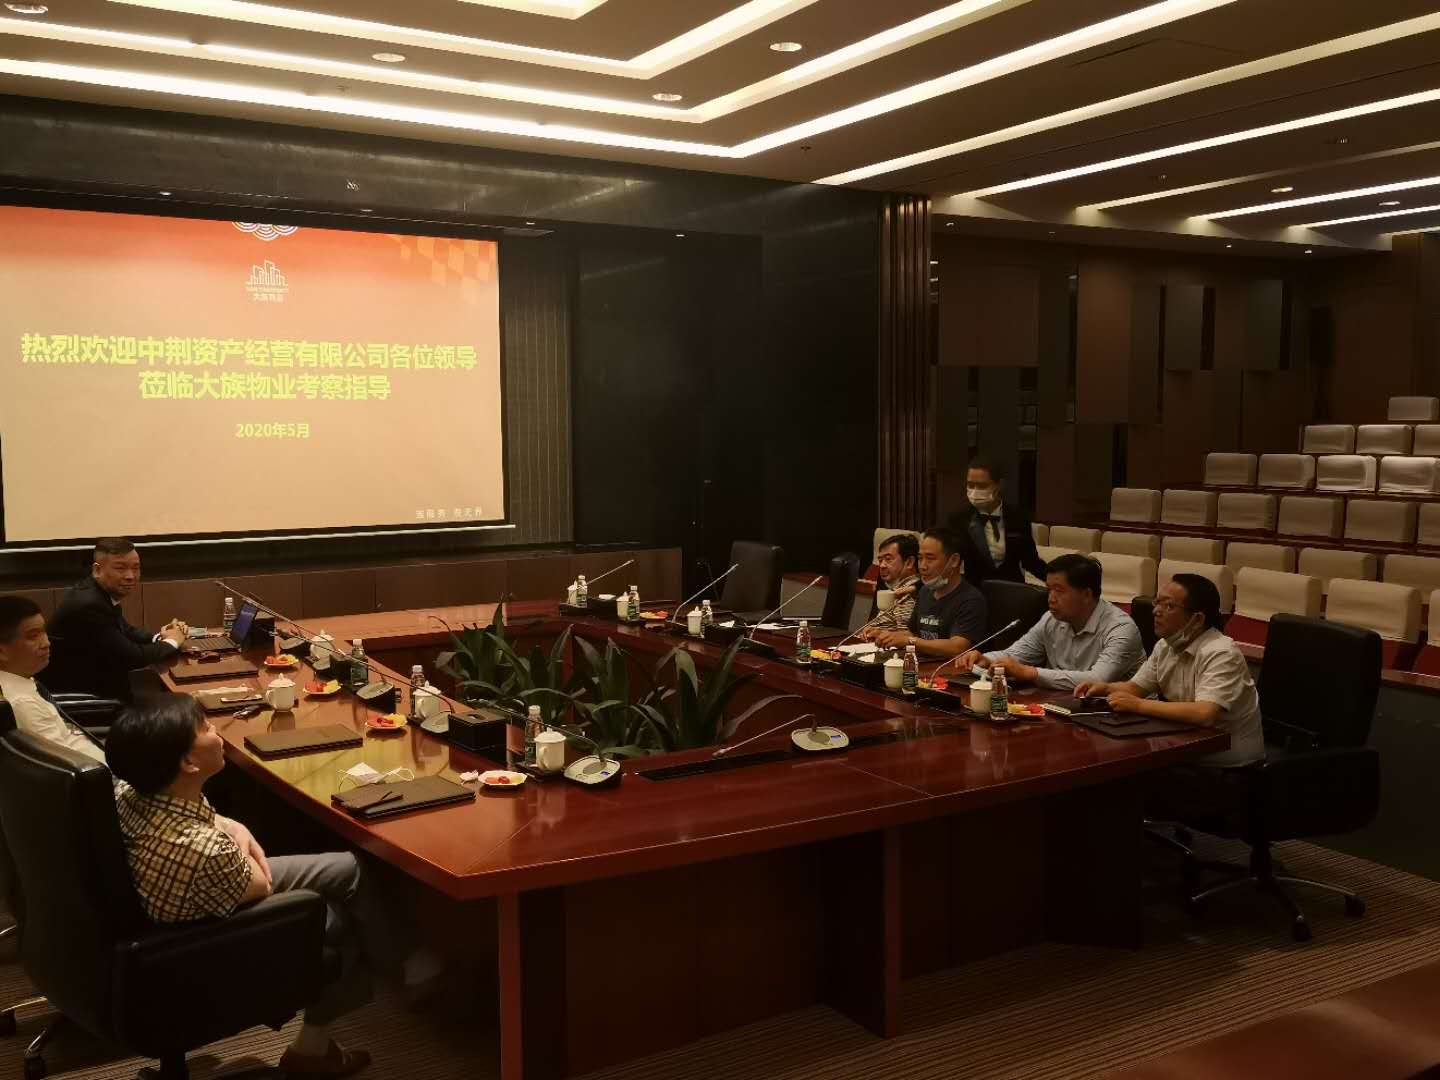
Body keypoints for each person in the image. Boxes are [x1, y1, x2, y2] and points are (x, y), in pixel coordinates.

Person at [107, 695, 380, 1076]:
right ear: (188, 763)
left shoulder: (127, 792)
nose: (217, 732)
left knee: (347, 869)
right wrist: (234, 834)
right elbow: (260, 884)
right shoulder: (206, 852)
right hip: (202, 944)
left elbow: (215, 832)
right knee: (337, 915)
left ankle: (404, 965)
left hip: (172, 914)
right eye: (206, 728)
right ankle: (315, 1049)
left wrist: (231, 824)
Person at [1077, 574, 1265, 821]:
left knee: (1116, 777)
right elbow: (1136, 688)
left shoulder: (1221, 652)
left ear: (1197, 619)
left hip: (1225, 769)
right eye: (1157, 602)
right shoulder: (1166, 645)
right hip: (1183, 752)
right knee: (1104, 765)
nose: (1156, 611)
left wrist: (1139, 705)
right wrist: (1105, 688)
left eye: (1169, 606)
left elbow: (1205, 714)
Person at [957, 554, 1144, 692]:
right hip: (1066, 705)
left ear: (1087, 594)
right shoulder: (1051, 618)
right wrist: (987, 659)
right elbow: (1015, 654)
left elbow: (1097, 680)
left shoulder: (1121, 629)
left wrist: (1031, 673)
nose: (1051, 598)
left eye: (1059, 590)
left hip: (1121, 717)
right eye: (1049, 589)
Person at [44, 538, 189, 702]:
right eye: (120, 568)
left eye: (136, 568)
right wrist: (172, 641)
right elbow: (132, 657)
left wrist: (160, 637)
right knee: (183, 702)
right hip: (89, 699)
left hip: (100, 685)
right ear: (97, 570)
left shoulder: (95, 592)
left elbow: (125, 630)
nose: (130, 576)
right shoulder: (89, 605)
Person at [0, 595, 106, 763]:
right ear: (2, 652)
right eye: (33, 636)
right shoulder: (22, 702)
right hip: (103, 773)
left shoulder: (22, 682)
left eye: (44, 631)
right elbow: (63, 766)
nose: (46, 643)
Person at [872, 527, 986, 658]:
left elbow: (958, 648)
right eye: (920, 558)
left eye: (930, 559)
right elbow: (912, 633)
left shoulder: (971, 599)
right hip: (920, 663)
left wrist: (910, 641)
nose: (922, 566)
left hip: (950, 668)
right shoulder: (925, 591)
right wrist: (885, 635)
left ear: (954, 561)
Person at [947, 456, 1046, 588]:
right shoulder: (959, 519)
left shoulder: (1018, 517)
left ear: (999, 485)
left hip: (1012, 589)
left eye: (982, 486)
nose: (974, 491)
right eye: (970, 485)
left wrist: (1059, 581)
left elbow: (1031, 562)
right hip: (976, 592)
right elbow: (947, 561)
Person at [869, 532, 921, 632]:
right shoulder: (896, 588)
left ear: (909, 562)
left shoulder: (909, 593)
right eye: (880, 560)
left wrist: (876, 633)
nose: (882, 565)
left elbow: (903, 636)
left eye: (888, 559)